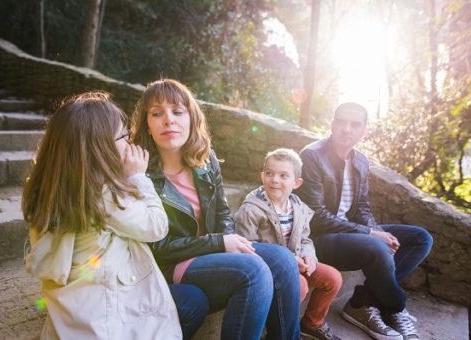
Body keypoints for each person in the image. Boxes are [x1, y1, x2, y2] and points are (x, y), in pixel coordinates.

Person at [131, 79, 301, 340]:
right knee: (253, 270)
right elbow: (157, 247)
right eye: (157, 113)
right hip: (168, 264)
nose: (169, 120)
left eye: (177, 112)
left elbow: (222, 212)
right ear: (147, 124)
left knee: (282, 259)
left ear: (191, 117)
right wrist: (219, 243)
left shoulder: (205, 160)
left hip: (209, 253)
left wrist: (229, 241)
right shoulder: (140, 173)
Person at [21, 92, 181, 339]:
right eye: (124, 136)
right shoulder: (104, 196)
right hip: (108, 320)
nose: (129, 143)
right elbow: (156, 226)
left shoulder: (50, 189)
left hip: (74, 315)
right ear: (99, 146)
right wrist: (138, 177)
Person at [297, 103, 433, 340]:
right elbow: (316, 215)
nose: (346, 129)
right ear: (332, 124)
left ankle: (363, 302)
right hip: (317, 237)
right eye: (341, 122)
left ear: (364, 131)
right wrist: (370, 234)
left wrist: (378, 231)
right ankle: (396, 307)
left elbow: (361, 206)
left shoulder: (360, 161)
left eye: (355, 124)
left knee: (421, 238)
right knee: (376, 246)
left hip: (348, 231)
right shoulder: (312, 156)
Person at [234, 148, 343, 340]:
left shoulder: (298, 207)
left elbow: (305, 238)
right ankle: (277, 331)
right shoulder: (251, 209)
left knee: (333, 278)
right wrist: (291, 260)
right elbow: (246, 248)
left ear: (297, 182)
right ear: (262, 176)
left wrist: (309, 255)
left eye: (283, 175)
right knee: (299, 286)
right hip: (270, 270)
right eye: (269, 173)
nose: (275, 180)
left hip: (297, 263)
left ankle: (311, 323)